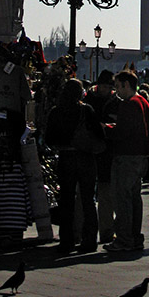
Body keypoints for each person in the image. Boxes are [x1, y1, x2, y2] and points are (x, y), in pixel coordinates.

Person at [45, 78, 105, 254]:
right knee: (88, 200)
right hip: (85, 158)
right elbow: (99, 134)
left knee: (66, 200)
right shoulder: (86, 110)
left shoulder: (56, 112)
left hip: (66, 158)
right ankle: (89, 240)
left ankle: (67, 240)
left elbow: (49, 139)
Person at [102, 67, 149, 252]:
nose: (116, 91)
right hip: (141, 156)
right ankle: (135, 237)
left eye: (118, 86)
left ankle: (123, 239)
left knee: (121, 199)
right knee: (134, 199)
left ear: (126, 85)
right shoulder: (144, 102)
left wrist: (106, 129)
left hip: (126, 156)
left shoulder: (128, 104)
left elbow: (123, 132)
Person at [83, 70, 120, 243]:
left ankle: (106, 230)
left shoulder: (115, 102)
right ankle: (83, 230)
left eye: (109, 87)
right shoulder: (88, 101)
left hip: (107, 151)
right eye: (105, 86)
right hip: (90, 149)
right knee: (86, 192)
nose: (107, 90)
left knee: (106, 193)